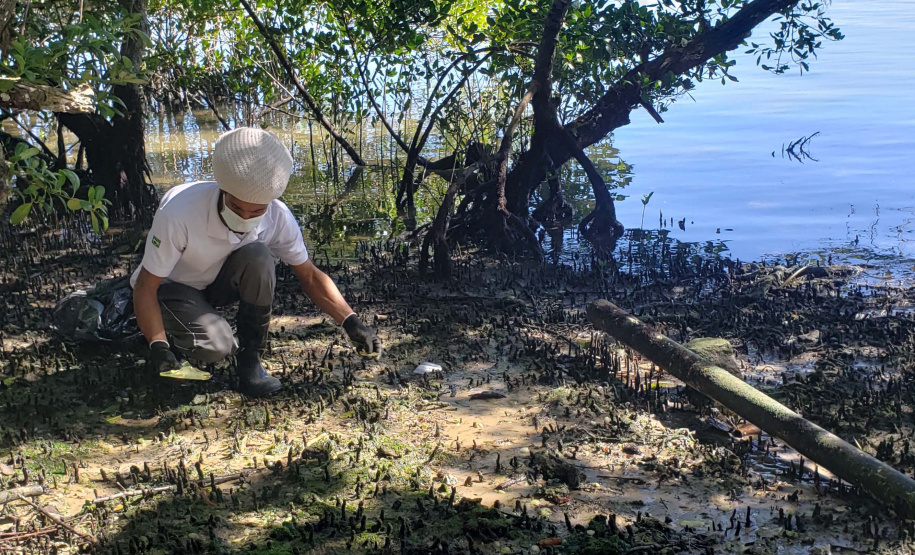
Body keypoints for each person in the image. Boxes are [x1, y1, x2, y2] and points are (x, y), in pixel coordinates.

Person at [131, 127, 381, 397]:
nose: (245, 217)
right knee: (217, 347)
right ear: (223, 191)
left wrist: (351, 321)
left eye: (257, 211)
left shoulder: (278, 217)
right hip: (171, 289)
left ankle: (250, 363)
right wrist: (158, 345)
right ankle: (158, 332)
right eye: (237, 207)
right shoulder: (179, 212)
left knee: (259, 257)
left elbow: (309, 275)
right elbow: (146, 286)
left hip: (214, 284)